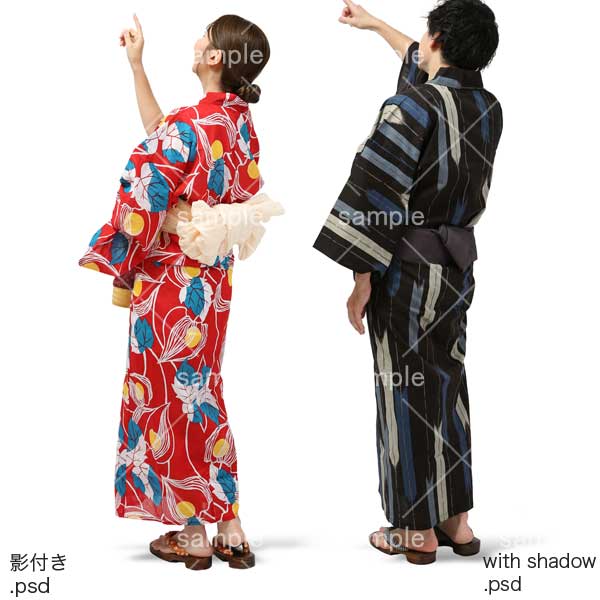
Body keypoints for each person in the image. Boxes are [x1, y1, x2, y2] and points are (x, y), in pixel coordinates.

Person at [78, 13, 271, 570]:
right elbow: (163, 133)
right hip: (212, 283)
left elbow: (144, 188)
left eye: (204, 36)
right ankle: (229, 522)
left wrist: (121, 252)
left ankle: (191, 532)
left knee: (168, 395)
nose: (196, 40)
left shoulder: (191, 125)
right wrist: (137, 66)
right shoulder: (238, 123)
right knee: (201, 389)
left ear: (215, 58)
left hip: (170, 280)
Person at [313, 0, 503, 564]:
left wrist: (361, 277)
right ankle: (456, 522)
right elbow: (428, 69)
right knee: (445, 384)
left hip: (407, 270)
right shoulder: (487, 107)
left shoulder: (411, 106)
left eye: (426, 34)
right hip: (456, 268)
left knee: (403, 388)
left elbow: (376, 190)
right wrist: (375, 26)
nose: (418, 42)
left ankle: (415, 530)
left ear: (438, 38)